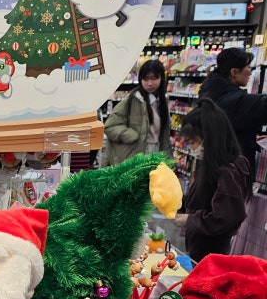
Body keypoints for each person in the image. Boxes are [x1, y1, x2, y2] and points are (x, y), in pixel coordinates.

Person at [172, 98, 252, 263]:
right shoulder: (209, 164)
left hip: (211, 254)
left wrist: (190, 219)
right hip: (198, 246)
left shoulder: (228, 170)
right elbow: (201, 199)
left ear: (210, 138)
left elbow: (225, 217)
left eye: (193, 142)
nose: (191, 148)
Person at [198, 46, 267, 181]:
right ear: (234, 72)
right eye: (248, 67)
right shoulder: (231, 100)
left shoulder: (212, 91)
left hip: (216, 166)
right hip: (231, 172)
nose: (250, 72)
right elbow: (261, 105)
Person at [101, 59, 173, 166]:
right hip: (135, 156)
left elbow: (164, 138)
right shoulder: (133, 100)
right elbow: (110, 126)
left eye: (154, 78)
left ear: (161, 78)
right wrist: (132, 135)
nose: (149, 83)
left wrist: (169, 161)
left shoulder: (162, 102)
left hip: (155, 153)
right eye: (145, 79)